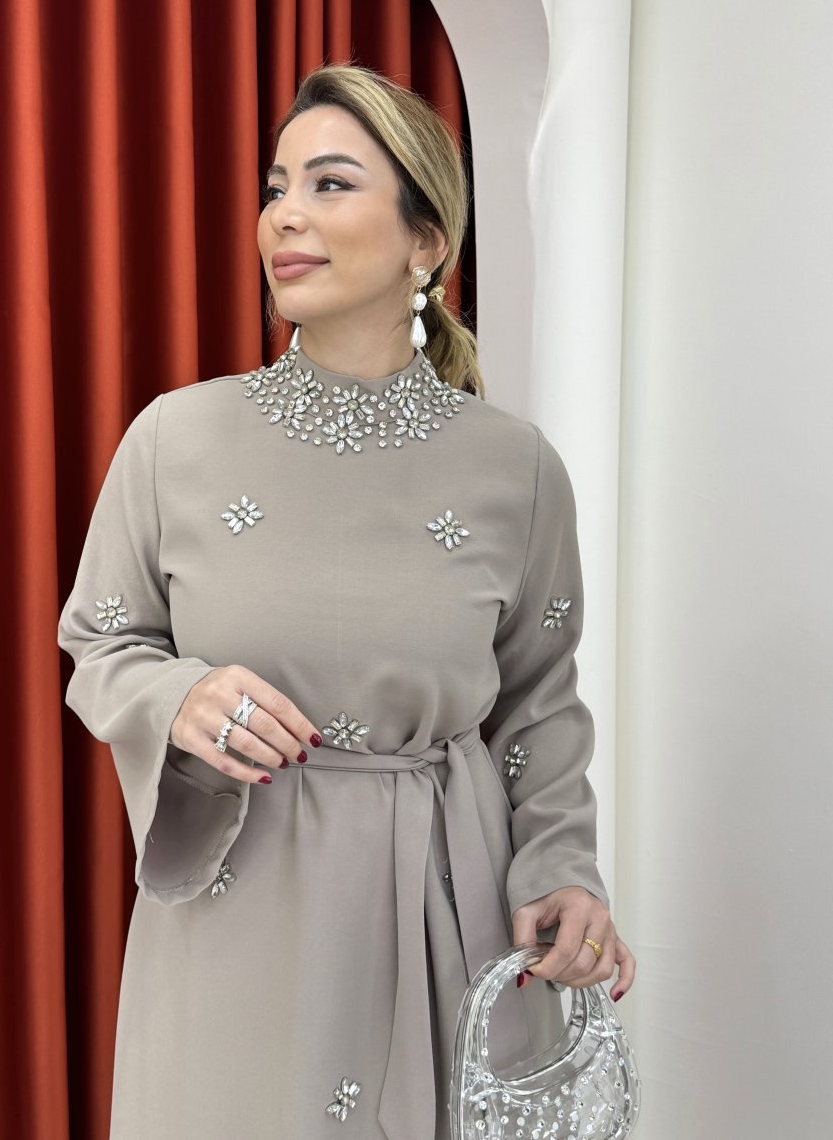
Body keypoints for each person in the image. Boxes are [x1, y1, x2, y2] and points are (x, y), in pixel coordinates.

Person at [57, 63, 635, 1139]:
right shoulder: (175, 439)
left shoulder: (516, 469)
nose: (285, 213)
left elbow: (538, 705)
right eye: (277, 186)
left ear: (425, 241)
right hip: (239, 914)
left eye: (330, 184)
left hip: (448, 911)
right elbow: (102, 641)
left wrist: (563, 866)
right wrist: (179, 697)